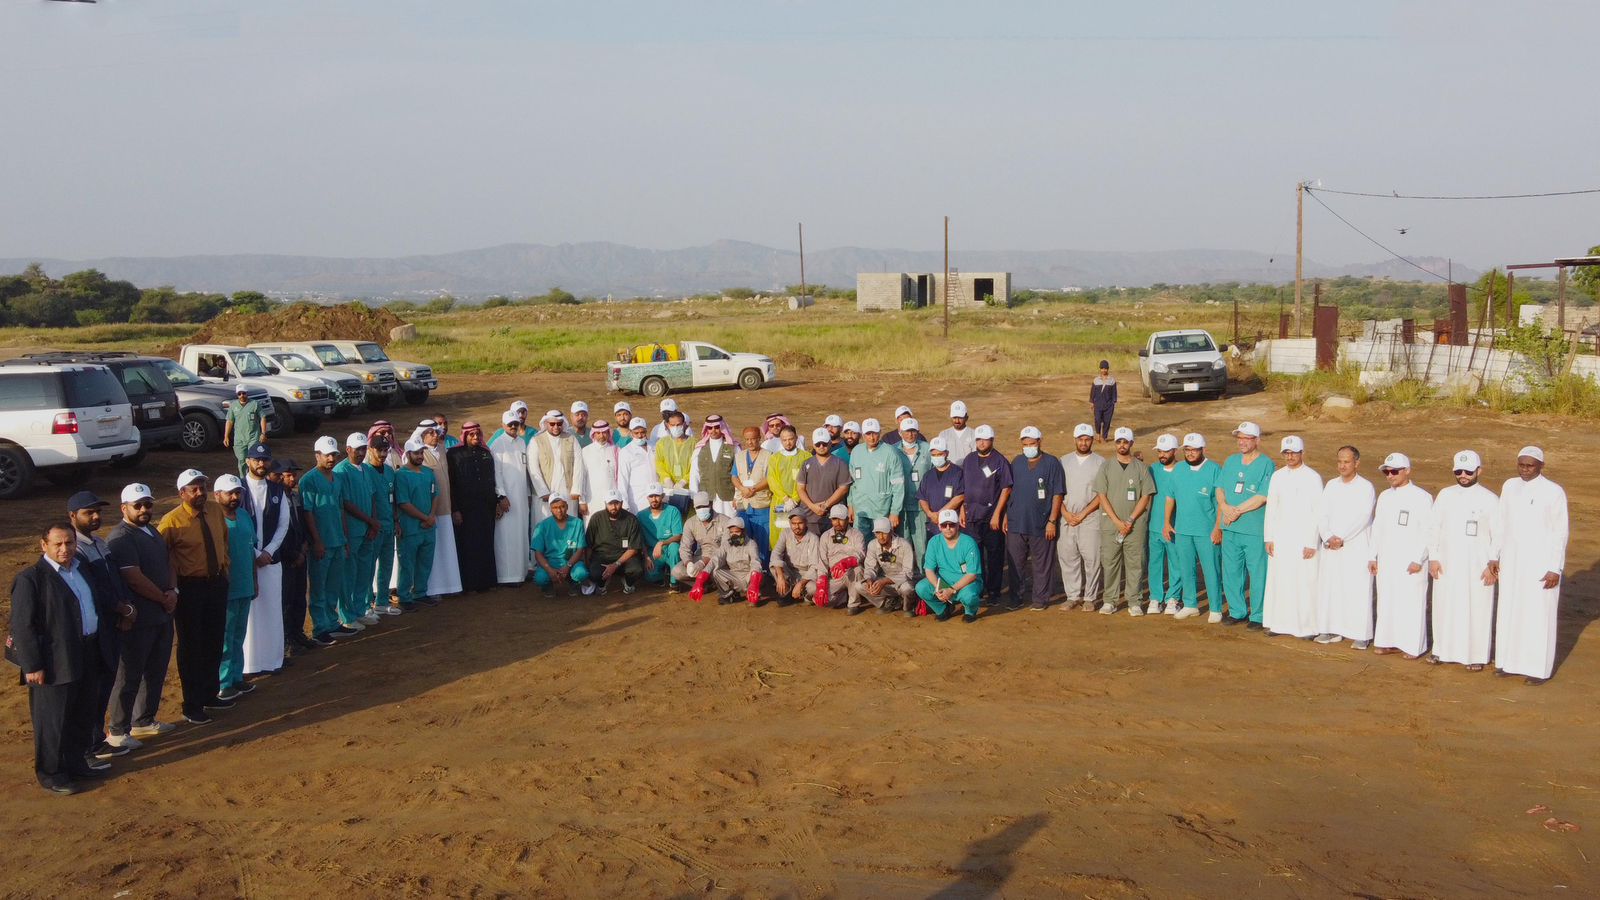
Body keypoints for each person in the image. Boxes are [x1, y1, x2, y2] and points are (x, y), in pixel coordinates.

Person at [9, 522, 120, 794]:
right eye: (57, 544)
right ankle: (51, 773)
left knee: (82, 713)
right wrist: (32, 665)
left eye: (69, 543)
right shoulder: (31, 578)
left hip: (88, 651)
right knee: (53, 719)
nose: (64, 549)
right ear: (43, 545)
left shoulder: (82, 569)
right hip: (54, 660)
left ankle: (76, 763)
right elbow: (23, 625)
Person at [105, 483, 177, 748]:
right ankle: (117, 730)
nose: (145, 509)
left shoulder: (152, 531)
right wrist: (163, 598)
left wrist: (173, 591)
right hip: (140, 619)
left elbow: (169, 561)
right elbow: (133, 578)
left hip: (161, 615)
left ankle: (144, 721)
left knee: (156, 671)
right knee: (129, 675)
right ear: (124, 508)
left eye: (148, 504)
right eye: (138, 505)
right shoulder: (121, 538)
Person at [158, 469, 233, 724]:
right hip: (190, 588)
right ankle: (192, 704)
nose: (200, 492)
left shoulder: (213, 510)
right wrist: (172, 587)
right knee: (191, 646)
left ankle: (210, 693)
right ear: (182, 493)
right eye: (194, 489)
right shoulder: (171, 522)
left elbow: (224, 539)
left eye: (202, 486)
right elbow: (162, 556)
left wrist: (225, 568)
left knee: (214, 639)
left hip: (215, 584)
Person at [1492, 446, 1568, 684]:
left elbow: (1560, 532)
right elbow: (1500, 523)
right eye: (1521, 465)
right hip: (1512, 561)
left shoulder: (1553, 491)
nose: (1525, 470)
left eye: (1530, 466)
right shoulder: (1509, 486)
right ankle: (1508, 662)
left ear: (1541, 466)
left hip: (1540, 563)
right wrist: (1495, 555)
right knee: (1510, 611)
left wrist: (1555, 567)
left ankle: (1537, 669)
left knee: (1538, 615)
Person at [67, 491, 133, 762]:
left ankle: (95, 740)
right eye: (88, 513)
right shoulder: (76, 549)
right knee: (91, 689)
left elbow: (114, 579)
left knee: (104, 683)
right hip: (96, 629)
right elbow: (94, 590)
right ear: (73, 516)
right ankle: (88, 745)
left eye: (97, 512)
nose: (95, 517)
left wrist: (124, 607)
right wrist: (123, 608)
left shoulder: (98, 542)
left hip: (111, 625)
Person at [1426, 450, 1498, 670]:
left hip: (1478, 565)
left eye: (1468, 471)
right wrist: (1433, 557)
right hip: (1447, 563)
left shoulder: (1490, 499)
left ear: (1479, 471)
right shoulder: (1446, 495)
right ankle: (1441, 650)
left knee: (1477, 608)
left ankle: (1476, 655)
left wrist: (1492, 564)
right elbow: (1434, 528)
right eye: (1459, 471)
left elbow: (1499, 534)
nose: (1463, 475)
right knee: (1444, 606)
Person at [1368, 452, 1433, 659]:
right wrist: (1373, 555)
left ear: (1407, 471)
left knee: (1411, 602)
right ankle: (1388, 641)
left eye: (1394, 471)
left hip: (1410, 561)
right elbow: (1377, 527)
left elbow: (1428, 531)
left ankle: (1413, 646)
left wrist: (1418, 558)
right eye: (1387, 472)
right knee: (1387, 600)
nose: (1390, 475)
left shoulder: (1422, 497)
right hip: (1387, 559)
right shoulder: (1385, 496)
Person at [1261, 436, 1322, 639]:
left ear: (1302, 453)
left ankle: (1307, 627)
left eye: (1293, 453)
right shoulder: (1277, 476)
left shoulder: (1313, 477)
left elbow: (1317, 512)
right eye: (1286, 453)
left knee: (1304, 582)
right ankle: (1278, 624)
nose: (1290, 456)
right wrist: (1268, 537)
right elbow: (1272, 508)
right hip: (1281, 537)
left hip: (1303, 538)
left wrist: (1312, 541)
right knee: (1280, 580)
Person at [1315, 446, 1376, 648]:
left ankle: (1360, 633)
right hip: (1331, 545)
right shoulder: (1331, 485)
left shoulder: (1366, 487)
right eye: (1340, 461)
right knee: (1331, 587)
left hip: (1354, 545)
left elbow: (1363, 516)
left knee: (1356, 589)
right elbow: (1322, 514)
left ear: (1356, 463)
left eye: (1347, 462)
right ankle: (1331, 629)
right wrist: (1328, 535)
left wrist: (1342, 537)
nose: (1342, 465)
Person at [1216, 422, 1275, 629]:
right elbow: (1220, 488)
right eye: (1239, 437)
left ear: (1257, 440)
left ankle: (1258, 615)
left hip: (1253, 529)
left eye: (1247, 438)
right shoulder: (1231, 461)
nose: (1241, 441)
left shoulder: (1267, 464)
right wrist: (1224, 506)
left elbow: (1262, 496)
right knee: (1231, 571)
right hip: (1230, 527)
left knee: (1257, 572)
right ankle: (1237, 611)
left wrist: (1236, 511)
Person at [1093, 427, 1155, 616]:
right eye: (1119, 441)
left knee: (1135, 563)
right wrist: (1117, 521)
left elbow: (1145, 497)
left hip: (1134, 525)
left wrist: (1129, 520)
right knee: (1110, 562)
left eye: (1125, 442)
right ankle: (1109, 600)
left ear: (1131, 444)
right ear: (1115, 443)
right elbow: (1102, 495)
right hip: (1111, 524)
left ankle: (1134, 601)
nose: (1122, 445)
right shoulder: (1106, 466)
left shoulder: (1141, 468)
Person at [301, 437, 356, 642]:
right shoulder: (308, 480)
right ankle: (320, 627)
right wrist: (317, 541)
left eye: (334, 454)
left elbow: (340, 508)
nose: (331, 458)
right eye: (327, 455)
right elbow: (308, 513)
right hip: (322, 542)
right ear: (317, 455)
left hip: (338, 540)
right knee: (319, 587)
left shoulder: (338, 479)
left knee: (333, 585)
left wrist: (345, 538)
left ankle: (333, 622)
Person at [241, 445, 289, 677]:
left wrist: (268, 550)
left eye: (265, 460)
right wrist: (254, 553)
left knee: (271, 609)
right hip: (246, 561)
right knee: (249, 614)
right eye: (257, 459)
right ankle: (249, 664)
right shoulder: (237, 489)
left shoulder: (277, 489)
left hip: (271, 559)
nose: (261, 464)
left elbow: (283, 524)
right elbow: (235, 527)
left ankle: (272, 659)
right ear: (248, 461)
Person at [1004, 426, 1064, 610]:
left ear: (1040, 442)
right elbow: (1010, 490)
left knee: (1042, 564)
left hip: (1041, 522)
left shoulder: (1052, 463)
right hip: (1016, 522)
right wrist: (1006, 514)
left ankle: (1040, 599)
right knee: (1016, 563)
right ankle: (1016, 599)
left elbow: (1057, 493)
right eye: (1025, 444)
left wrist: (1052, 521)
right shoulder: (1017, 462)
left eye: (1032, 443)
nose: (1028, 447)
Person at [1164, 433, 1222, 622]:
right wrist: (1166, 522)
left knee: (1211, 569)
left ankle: (1215, 608)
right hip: (1183, 530)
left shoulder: (1214, 469)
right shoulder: (1179, 469)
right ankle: (1190, 605)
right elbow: (1170, 497)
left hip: (1206, 531)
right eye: (1187, 450)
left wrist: (1218, 528)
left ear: (1203, 449)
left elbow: (1221, 502)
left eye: (1194, 449)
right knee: (1185, 568)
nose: (1190, 453)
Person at [213, 475, 258, 701]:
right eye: (229, 493)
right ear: (217, 495)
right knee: (225, 639)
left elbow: (250, 550)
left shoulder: (243, 515)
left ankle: (237, 677)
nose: (234, 497)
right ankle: (223, 682)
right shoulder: (213, 520)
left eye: (237, 493)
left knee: (238, 636)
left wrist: (254, 581)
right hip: (226, 589)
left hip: (245, 585)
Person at [446, 422, 502, 593]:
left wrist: (497, 502)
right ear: (465, 436)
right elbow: (451, 484)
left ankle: (488, 582)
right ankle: (470, 584)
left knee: (486, 543)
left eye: (478, 434)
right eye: (471, 435)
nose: (476, 437)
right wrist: (455, 509)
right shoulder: (454, 454)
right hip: (465, 509)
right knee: (469, 545)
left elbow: (492, 480)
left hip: (486, 507)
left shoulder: (486, 453)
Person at [960, 424, 1012, 605]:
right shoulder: (969, 460)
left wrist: (997, 514)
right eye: (979, 439)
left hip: (991, 519)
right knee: (975, 556)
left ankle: (994, 592)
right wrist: (962, 509)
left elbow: (1006, 489)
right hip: (971, 517)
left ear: (992, 440)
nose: (982, 443)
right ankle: (978, 589)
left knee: (995, 556)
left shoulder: (1000, 461)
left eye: (986, 439)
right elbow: (963, 487)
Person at [335, 433, 382, 629]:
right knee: (348, 573)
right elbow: (346, 503)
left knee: (364, 571)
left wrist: (372, 523)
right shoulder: (341, 471)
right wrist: (370, 520)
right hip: (353, 530)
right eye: (358, 449)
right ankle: (346, 616)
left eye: (364, 449)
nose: (362, 453)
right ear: (348, 449)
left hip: (367, 530)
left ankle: (359, 610)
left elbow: (371, 496)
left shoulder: (366, 470)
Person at [1058, 423, 1105, 611]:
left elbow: (1102, 494)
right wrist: (1065, 513)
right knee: (1068, 557)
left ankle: (1090, 597)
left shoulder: (1101, 462)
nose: (1083, 442)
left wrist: (1084, 513)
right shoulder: (1063, 461)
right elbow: (1057, 491)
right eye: (1080, 439)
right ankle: (1072, 595)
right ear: (1075, 440)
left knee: (1092, 558)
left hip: (1090, 517)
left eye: (1087, 439)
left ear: (1092, 440)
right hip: (1067, 517)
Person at [274, 459, 317, 648]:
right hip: (286, 559)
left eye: (294, 474)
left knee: (300, 596)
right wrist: (293, 555)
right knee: (286, 600)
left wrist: (305, 546)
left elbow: (303, 524)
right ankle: (286, 639)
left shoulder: (295, 497)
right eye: (288, 475)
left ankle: (297, 633)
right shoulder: (273, 500)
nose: (293, 478)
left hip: (300, 553)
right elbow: (276, 534)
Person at [395, 437, 440, 608]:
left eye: (422, 452)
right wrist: (425, 518)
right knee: (407, 563)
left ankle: (420, 592)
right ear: (408, 454)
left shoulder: (429, 473)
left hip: (428, 528)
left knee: (425, 562)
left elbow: (435, 495)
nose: (420, 456)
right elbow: (404, 503)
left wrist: (432, 516)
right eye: (416, 453)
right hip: (411, 527)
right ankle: (404, 597)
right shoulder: (401, 475)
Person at [417, 422, 461, 599]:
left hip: (446, 509)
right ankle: (432, 589)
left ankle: (450, 586)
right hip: (430, 512)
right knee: (432, 553)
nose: (435, 435)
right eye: (430, 433)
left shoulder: (442, 449)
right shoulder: (418, 454)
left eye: (436, 432)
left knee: (447, 548)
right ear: (422, 435)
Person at [489, 411, 533, 585]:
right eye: (510, 424)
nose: (513, 427)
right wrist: (501, 496)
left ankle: (521, 572)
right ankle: (506, 576)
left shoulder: (522, 442)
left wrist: (529, 494)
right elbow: (496, 473)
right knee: (506, 537)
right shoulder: (498, 445)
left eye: (515, 423)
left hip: (522, 497)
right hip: (506, 498)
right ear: (503, 425)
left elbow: (525, 472)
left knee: (521, 534)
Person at [916, 510, 983, 622]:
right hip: (943, 582)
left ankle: (970, 612)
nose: (948, 528)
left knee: (969, 596)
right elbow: (929, 570)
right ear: (939, 526)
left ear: (958, 525)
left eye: (951, 524)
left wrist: (951, 590)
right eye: (944, 525)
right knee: (921, 588)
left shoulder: (969, 543)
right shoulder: (934, 542)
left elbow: (972, 574)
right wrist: (938, 589)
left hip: (965, 584)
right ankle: (943, 609)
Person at [360, 428, 399, 618]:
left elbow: (394, 499)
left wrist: (396, 521)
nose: (383, 454)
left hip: (389, 525)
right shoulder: (365, 471)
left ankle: (382, 602)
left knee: (387, 565)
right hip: (373, 527)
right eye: (379, 450)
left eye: (386, 450)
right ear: (370, 450)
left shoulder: (391, 472)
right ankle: (367, 604)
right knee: (369, 567)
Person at [847, 418, 903, 539]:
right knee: (860, 543)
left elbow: (898, 485)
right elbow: (852, 482)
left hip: (881, 510)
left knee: (881, 545)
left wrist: (895, 512)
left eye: (875, 433)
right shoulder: (857, 452)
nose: (872, 437)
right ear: (862, 435)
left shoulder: (890, 453)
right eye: (868, 434)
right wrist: (850, 504)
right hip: (860, 509)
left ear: (879, 433)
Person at [528, 409, 586, 525]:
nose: (556, 427)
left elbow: (579, 466)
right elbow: (533, 468)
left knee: (567, 525)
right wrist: (542, 491)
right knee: (544, 525)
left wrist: (576, 489)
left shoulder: (571, 439)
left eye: (559, 424)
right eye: (552, 424)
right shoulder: (536, 440)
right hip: (545, 494)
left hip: (567, 492)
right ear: (546, 424)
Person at [1146, 435, 1182, 615]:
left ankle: (1173, 598)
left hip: (1175, 528)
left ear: (1175, 451)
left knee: (1176, 563)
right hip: (1154, 526)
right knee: (1155, 563)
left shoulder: (1182, 470)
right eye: (1159, 451)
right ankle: (1156, 597)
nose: (1162, 455)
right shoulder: (1152, 469)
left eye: (1166, 451)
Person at [584, 491, 646, 595]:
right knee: (594, 573)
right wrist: (587, 564)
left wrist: (616, 564)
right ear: (605, 504)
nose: (614, 507)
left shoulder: (631, 519)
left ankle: (628, 583)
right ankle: (601, 585)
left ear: (621, 503)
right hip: (602, 556)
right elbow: (589, 544)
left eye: (616, 503)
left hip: (624, 557)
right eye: (610, 504)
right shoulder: (596, 518)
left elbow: (633, 548)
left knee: (636, 570)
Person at [854, 517, 918, 614]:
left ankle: (910, 606)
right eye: (878, 533)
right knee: (859, 586)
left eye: (884, 533)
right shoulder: (872, 545)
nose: (881, 537)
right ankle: (888, 602)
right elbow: (870, 567)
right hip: (886, 581)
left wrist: (885, 581)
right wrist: (869, 579)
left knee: (907, 588)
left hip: (904, 581)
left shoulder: (904, 545)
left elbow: (908, 573)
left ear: (891, 531)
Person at [675, 491, 731, 599]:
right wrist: (689, 563)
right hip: (701, 556)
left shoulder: (725, 521)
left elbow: (725, 549)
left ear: (710, 505)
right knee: (677, 571)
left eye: (704, 506)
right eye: (698, 507)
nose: (701, 509)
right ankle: (707, 584)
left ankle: (716, 582)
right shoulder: (690, 523)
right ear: (694, 508)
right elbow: (685, 547)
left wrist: (703, 562)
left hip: (721, 560)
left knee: (719, 573)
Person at [799, 426, 853, 536]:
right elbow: (800, 488)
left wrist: (826, 505)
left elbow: (843, 488)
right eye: (818, 444)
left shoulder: (840, 464)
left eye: (824, 443)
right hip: (810, 517)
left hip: (833, 517)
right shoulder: (806, 464)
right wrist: (812, 506)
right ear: (813, 445)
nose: (821, 446)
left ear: (829, 443)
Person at [730, 426, 772, 563]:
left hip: (761, 505)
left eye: (753, 439)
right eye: (747, 439)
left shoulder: (768, 456)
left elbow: (769, 478)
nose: (750, 442)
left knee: (762, 542)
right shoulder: (740, 456)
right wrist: (742, 489)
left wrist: (754, 489)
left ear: (759, 439)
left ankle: (764, 571)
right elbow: (734, 476)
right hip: (744, 504)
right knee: (743, 540)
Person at [530, 496, 588, 595]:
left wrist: (568, 566)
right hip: (550, 563)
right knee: (540, 578)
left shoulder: (577, 523)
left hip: (571, 562)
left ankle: (574, 583)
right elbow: (538, 553)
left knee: (581, 573)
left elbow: (580, 549)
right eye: (555, 508)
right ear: (550, 509)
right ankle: (547, 587)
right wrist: (550, 570)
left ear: (567, 506)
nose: (559, 510)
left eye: (562, 506)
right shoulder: (542, 526)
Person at [766, 425, 811, 548]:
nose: (788, 442)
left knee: (798, 532)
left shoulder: (806, 457)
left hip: (800, 502)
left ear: (796, 438)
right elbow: (772, 480)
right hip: (780, 502)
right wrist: (785, 499)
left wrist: (795, 500)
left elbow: (806, 480)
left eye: (790, 439)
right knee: (779, 535)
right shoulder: (775, 458)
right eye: (784, 440)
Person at [894, 418, 932, 563]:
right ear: (900, 432)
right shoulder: (893, 450)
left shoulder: (927, 449)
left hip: (921, 507)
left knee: (922, 545)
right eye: (907, 431)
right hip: (901, 506)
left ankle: (925, 577)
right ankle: (905, 579)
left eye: (913, 431)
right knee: (903, 546)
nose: (910, 434)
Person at [689, 414, 738, 519]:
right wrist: (695, 497)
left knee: (730, 524)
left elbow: (739, 473)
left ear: (722, 428)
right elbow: (694, 474)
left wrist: (737, 496)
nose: (713, 430)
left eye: (716, 427)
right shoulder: (699, 449)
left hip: (728, 497)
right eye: (710, 428)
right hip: (707, 498)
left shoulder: (733, 448)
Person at [918, 437, 965, 543]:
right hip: (933, 524)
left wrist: (940, 515)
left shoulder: (957, 473)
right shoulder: (928, 475)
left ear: (947, 453)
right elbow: (922, 498)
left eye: (939, 454)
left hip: (950, 524)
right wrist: (930, 514)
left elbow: (960, 496)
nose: (936, 457)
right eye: (933, 455)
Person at [770, 511, 822, 606]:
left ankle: (799, 595)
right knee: (775, 567)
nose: (797, 526)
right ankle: (787, 591)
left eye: (800, 523)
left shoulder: (814, 539)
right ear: (790, 523)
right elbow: (775, 554)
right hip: (789, 572)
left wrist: (801, 583)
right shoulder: (785, 533)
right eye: (793, 523)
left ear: (806, 523)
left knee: (813, 588)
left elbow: (815, 566)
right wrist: (781, 576)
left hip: (806, 575)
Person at [818, 504, 865, 609]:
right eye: (834, 519)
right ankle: (843, 596)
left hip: (850, 573)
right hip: (834, 577)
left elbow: (861, 553)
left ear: (848, 519)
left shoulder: (857, 534)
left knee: (857, 570)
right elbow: (822, 561)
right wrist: (822, 583)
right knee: (817, 593)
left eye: (841, 519)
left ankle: (854, 604)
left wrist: (847, 562)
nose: (837, 522)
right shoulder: (825, 536)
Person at [637, 484, 684, 587]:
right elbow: (641, 540)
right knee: (651, 576)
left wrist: (662, 543)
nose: (654, 499)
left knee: (674, 549)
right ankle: (662, 573)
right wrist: (646, 557)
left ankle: (674, 582)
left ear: (662, 495)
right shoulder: (641, 515)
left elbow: (679, 535)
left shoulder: (673, 511)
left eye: (657, 496)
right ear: (647, 498)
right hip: (653, 552)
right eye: (651, 496)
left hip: (669, 547)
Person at [712, 519, 764, 605]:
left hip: (749, 577)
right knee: (715, 571)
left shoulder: (751, 544)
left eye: (737, 531)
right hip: (735, 576)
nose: (734, 534)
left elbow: (756, 562)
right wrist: (702, 576)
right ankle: (729, 595)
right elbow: (716, 559)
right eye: (731, 532)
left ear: (743, 532)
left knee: (758, 572)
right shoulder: (726, 544)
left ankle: (754, 591)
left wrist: (753, 583)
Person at [655, 410, 695, 517]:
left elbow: (696, 466)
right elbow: (659, 463)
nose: (676, 428)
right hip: (668, 489)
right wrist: (666, 478)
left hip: (687, 488)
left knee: (687, 518)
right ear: (667, 425)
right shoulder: (662, 443)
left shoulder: (694, 443)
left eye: (678, 424)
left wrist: (684, 480)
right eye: (672, 425)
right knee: (670, 518)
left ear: (684, 424)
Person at [578, 420, 622, 516]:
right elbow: (581, 477)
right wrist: (582, 501)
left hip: (612, 499)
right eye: (598, 433)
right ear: (593, 434)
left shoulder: (616, 450)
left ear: (608, 433)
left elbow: (621, 477)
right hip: (592, 499)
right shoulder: (586, 451)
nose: (601, 436)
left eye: (604, 432)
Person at [223, 386, 267, 480]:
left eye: (243, 393)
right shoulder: (233, 405)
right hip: (239, 438)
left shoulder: (255, 404)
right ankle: (243, 479)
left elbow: (262, 418)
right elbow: (229, 421)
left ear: (247, 393)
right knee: (242, 460)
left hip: (253, 436)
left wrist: (263, 433)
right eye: (239, 394)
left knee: (254, 458)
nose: (242, 395)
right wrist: (226, 436)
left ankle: (254, 477)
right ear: (237, 395)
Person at [618, 419, 656, 511]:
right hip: (637, 500)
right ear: (631, 433)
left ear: (646, 431)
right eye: (636, 433)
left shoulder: (655, 446)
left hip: (656, 497)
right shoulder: (626, 451)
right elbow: (622, 479)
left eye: (642, 432)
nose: (640, 435)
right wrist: (624, 503)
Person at [1089, 360, 1117, 441]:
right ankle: (1098, 434)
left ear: (1108, 369)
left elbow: (1114, 392)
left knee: (1107, 421)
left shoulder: (1112, 380)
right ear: (1100, 369)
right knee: (1097, 419)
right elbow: (1092, 392)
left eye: (1105, 368)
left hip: (1109, 405)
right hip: (1098, 404)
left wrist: (1113, 403)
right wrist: (1092, 403)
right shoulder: (1096, 380)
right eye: (1102, 368)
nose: (1104, 370)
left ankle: (1104, 437)